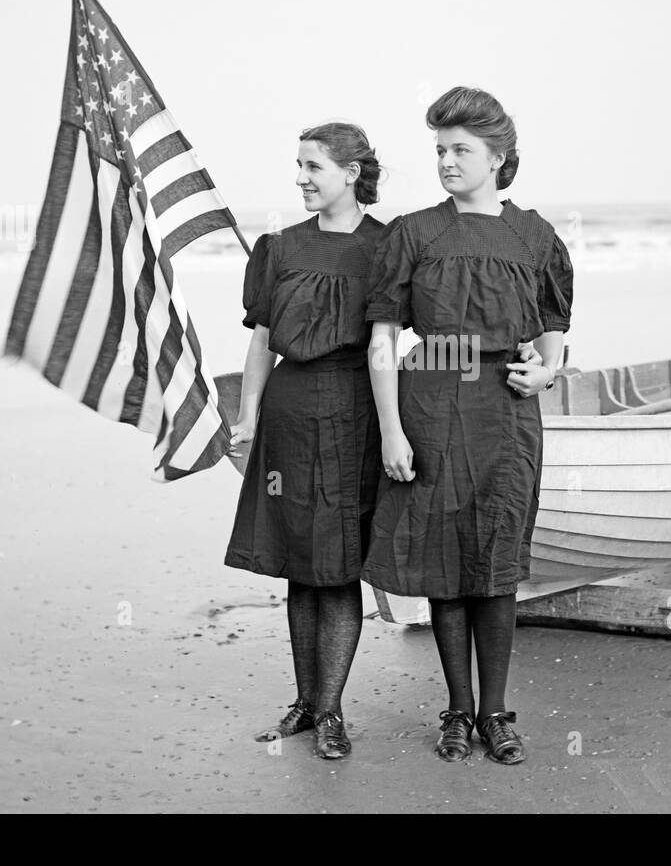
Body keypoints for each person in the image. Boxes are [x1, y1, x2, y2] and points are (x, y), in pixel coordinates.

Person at [363, 87, 574, 764]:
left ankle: (497, 713)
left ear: (497, 157)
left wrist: (548, 372)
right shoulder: (414, 232)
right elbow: (383, 340)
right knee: (447, 563)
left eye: (461, 150)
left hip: (508, 414)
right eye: (440, 150)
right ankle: (456, 710)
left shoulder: (534, 234)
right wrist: (392, 430)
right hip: (431, 403)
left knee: (498, 562)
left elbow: (554, 329)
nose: (447, 162)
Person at [224, 122, 385, 760]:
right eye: (298, 165)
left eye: (313, 166)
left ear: (351, 172)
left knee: (339, 565)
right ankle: (305, 702)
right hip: (290, 414)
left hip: (354, 411)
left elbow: (396, 340)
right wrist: (248, 414)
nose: (301, 178)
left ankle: (331, 712)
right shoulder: (279, 247)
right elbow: (262, 339)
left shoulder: (387, 247)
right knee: (298, 563)